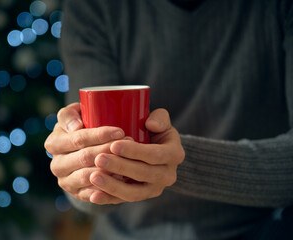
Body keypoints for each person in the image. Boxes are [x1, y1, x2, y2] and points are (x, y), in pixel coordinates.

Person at [44, 0, 293, 239]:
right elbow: (92, 195)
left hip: (263, 230)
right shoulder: (92, 6)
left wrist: (173, 160)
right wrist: (78, 171)